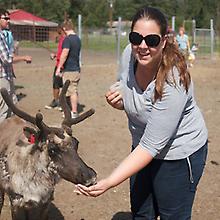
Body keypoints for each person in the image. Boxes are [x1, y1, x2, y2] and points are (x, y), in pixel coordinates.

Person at [76, 6, 208, 220]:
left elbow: (151, 146)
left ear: (164, 41)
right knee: (141, 212)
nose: (143, 46)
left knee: (172, 216)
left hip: (177, 154)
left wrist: (109, 182)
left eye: (152, 40)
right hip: (141, 147)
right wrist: (120, 100)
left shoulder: (174, 80)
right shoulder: (130, 53)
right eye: (136, 37)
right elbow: (125, 84)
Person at [55, 19, 81, 118]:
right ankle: (69, 110)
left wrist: (59, 67)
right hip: (76, 69)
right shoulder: (77, 39)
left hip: (70, 70)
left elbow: (64, 53)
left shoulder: (68, 39)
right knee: (70, 90)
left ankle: (74, 112)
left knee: (72, 90)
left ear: (65, 28)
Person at [45, 24, 66, 110]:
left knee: (61, 85)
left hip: (62, 66)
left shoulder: (66, 39)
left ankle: (61, 103)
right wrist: (55, 55)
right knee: (56, 84)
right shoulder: (61, 39)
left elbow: (65, 54)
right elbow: (61, 53)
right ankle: (56, 101)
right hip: (58, 64)